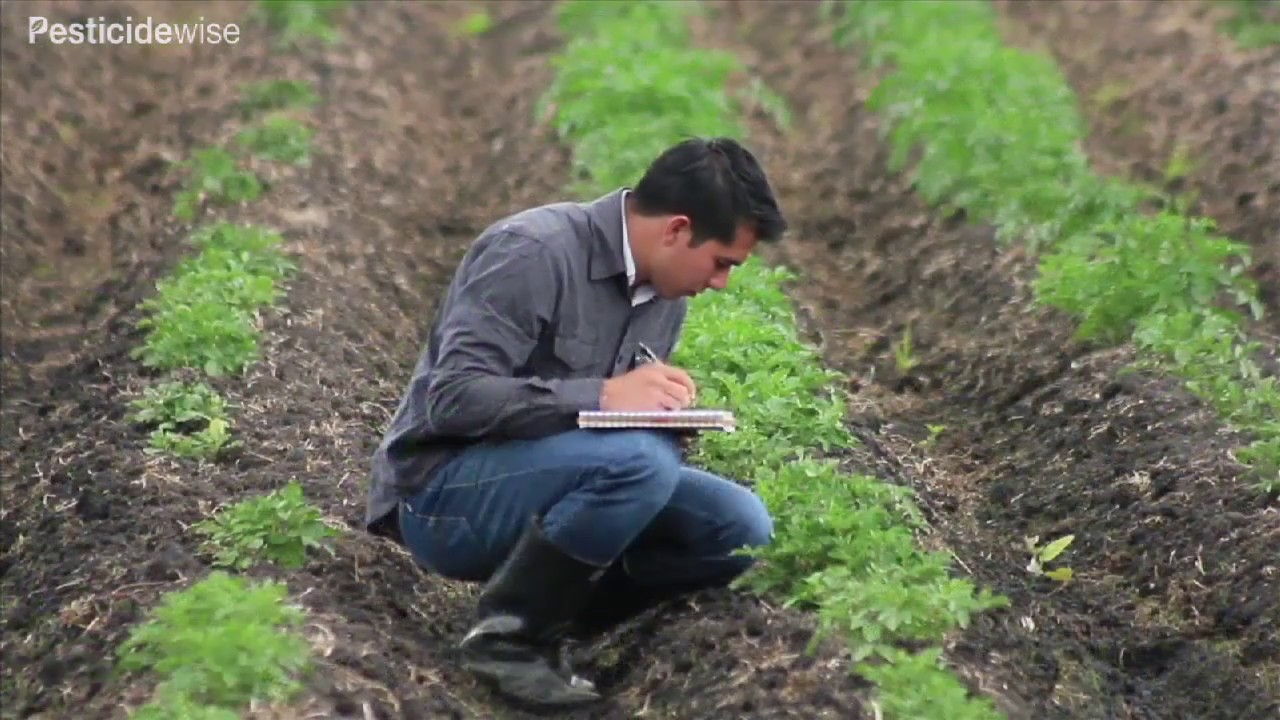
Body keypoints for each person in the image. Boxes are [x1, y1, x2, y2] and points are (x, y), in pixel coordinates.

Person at [363, 136, 788, 708]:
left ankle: (554, 618)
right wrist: (608, 397)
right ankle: (509, 642)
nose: (721, 283)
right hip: (443, 496)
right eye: (721, 263)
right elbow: (453, 399)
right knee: (638, 463)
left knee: (738, 527)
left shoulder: (665, 296)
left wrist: (656, 420)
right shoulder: (532, 251)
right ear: (676, 230)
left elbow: (594, 430)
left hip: (557, 480)